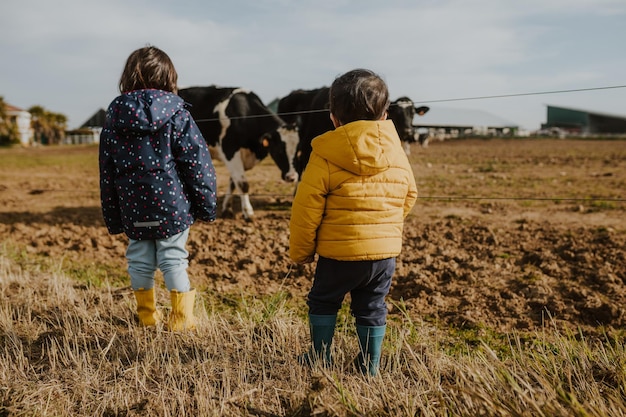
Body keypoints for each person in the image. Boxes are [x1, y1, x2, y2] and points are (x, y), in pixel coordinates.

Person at [289, 68, 418, 376]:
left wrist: (301, 252)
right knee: (372, 307)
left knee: (323, 301)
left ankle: (320, 358)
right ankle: (369, 365)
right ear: (386, 115)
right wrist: (384, 226)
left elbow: (306, 209)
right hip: (383, 257)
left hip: (337, 255)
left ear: (333, 117)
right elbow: (410, 193)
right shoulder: (396, 151)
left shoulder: (322, 154)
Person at [99, 46, 217, 331]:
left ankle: (147, 317)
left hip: (132, 205)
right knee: (174, 259)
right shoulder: (178, 115)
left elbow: (107, 172)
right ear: (168, 77)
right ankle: (181, 321)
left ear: (128, 77)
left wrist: (114, 217)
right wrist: (207, 206)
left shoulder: (114, 118)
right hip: (172, 205)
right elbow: (197, 165)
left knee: (138, 260)